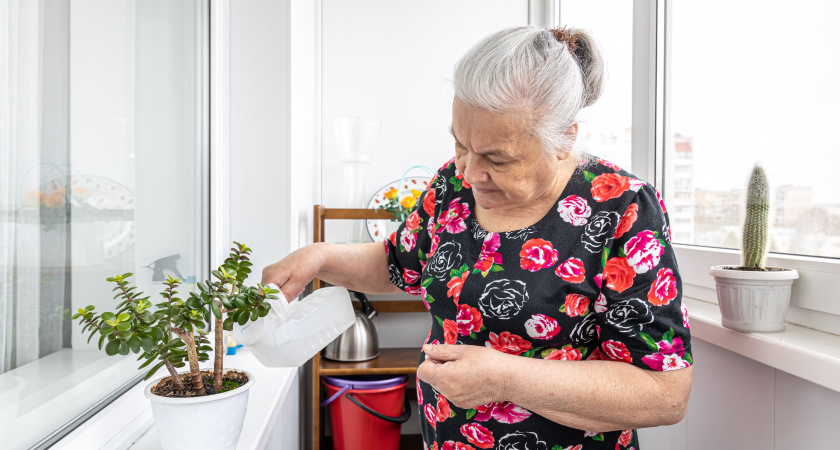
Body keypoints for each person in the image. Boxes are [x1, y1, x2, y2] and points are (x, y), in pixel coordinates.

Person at [263, 26, 693, 450]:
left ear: (564, 141)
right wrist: (320, 258)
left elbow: (664, 394)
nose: (470, 172)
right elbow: (398, 264)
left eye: (497, 159)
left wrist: (505, 378)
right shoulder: (453, 183)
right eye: (461, 145)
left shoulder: (623, 208)